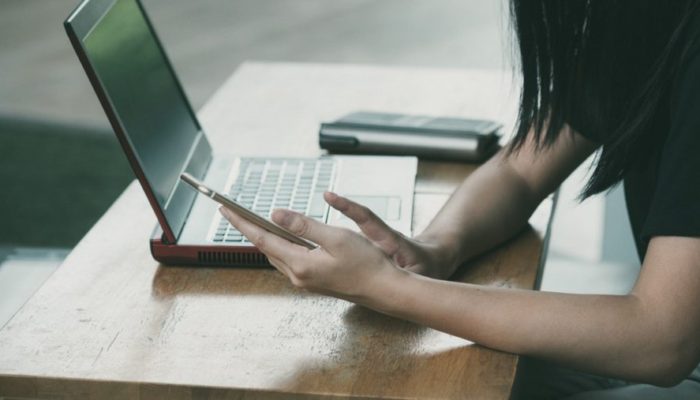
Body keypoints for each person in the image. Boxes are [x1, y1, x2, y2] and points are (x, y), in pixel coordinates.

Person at [220, 0, 700, 398]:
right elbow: (520, 169)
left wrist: (389, 288)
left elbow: (661, 339)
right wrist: (434, 248)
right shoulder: (644, 20)